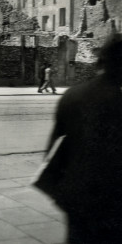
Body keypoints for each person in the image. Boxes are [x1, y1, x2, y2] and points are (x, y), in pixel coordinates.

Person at [45, 34, 122, 244]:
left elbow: (50, 153)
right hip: (113, 204)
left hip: (76, 198)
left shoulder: (72, 95)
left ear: (100, 61)